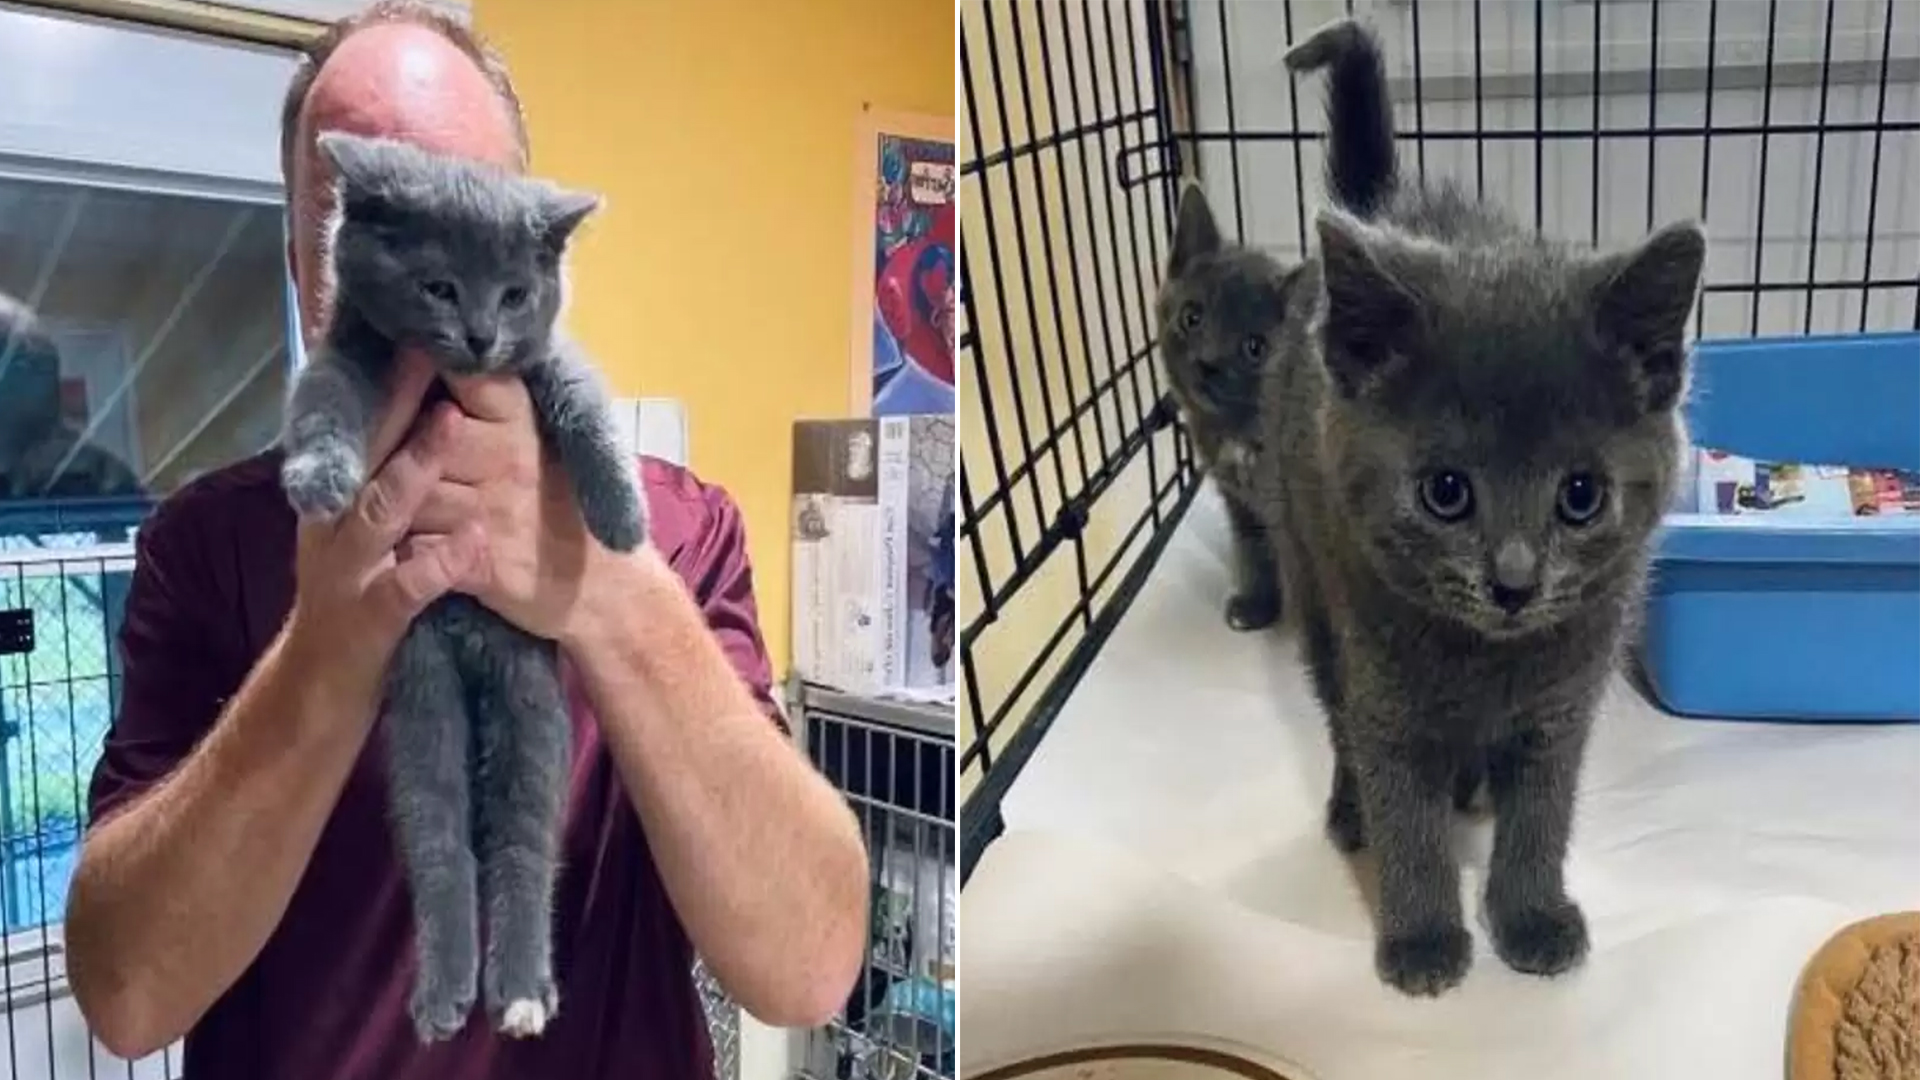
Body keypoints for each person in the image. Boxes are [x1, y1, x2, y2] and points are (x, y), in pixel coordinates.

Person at [61, 5, 870, 1077]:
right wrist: (322, 655)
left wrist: (608, 594)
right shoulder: (205, 548)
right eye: (375, 224)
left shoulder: (678, 530)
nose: (434, 297)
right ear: (307, 263)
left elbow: (810, 965)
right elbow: (127, 996)